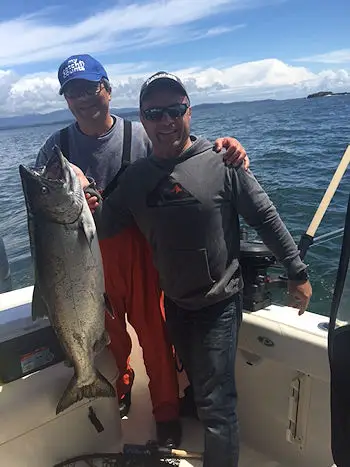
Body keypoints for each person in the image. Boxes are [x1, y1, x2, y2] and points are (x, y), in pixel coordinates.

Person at [81, 71, 313, 467]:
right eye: (155, 112)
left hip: (218, 304)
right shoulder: (136, 179)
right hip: (173, 303)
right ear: (142, 118)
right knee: (194, 381)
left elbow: (266, 217)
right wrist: (82, 202)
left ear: (190, 111)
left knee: (218, 405)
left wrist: (297, 271)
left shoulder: (223, 161)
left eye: (175, 109)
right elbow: (102, 225)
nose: (166, 120)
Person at [35, 55, 250, 447]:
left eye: (91, 88)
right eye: (73, 92)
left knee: (154, 332)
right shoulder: (56, 147)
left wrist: (229, 148)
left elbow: (182, 152)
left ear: (108, 89)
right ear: (66, 100)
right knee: (108, 332)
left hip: (137, 251)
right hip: (83, 256)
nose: (83, 98)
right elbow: (42, 212)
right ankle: (119, 382)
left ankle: (166, 410)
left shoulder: (141, 134)